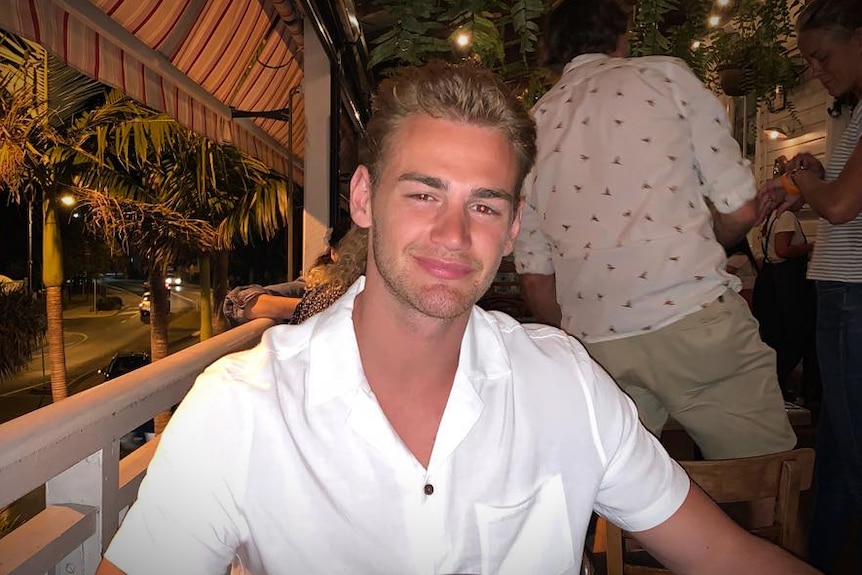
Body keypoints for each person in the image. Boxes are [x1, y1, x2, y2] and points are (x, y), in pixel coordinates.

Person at [96, 62, 816, 575]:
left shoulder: (566, 383)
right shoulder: (243, 405)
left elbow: (724, 553)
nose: (454, 232)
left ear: (513, 229)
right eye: (423, 194)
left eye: (484, 204)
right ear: (361, 198)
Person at [514, 0, 795, 462]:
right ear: (620, 35)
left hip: (597, 342)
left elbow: (535, 280)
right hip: (694, 316)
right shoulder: (664, 78)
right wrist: (704, 238)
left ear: (551, 52)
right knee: (762, 473)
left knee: (615, 489)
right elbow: (742, 210)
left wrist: (581, 337)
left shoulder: (531, 126)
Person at [757, 0, 862, 570]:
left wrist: (799, 178)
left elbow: (843, 205)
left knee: (851, 449)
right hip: (843, 289)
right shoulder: (854, 111)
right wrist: (805, 187)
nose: (817, 72)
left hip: (854, 291)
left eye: (823, 58)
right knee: (839, 449)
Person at [222, 217, 355, 325]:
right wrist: (316, 308)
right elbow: (238, 302)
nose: (359, 259)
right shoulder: (318, 285)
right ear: (333, 253)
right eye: (351, 250)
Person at [751, 202, 817, 404]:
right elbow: (782, 250)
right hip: (788, 281)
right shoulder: (786, 216)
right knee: (796, 334)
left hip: (772, 280)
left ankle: (774, 384)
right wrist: (811, 246)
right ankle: (777, 384)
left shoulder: (771, 218)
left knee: (779, 335)